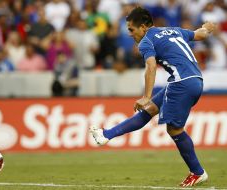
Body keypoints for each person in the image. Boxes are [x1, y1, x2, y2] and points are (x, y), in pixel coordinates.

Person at [90, 6, 215, 187]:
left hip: (181, 83)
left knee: (174, 130)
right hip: (195, 79)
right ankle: (105, 135)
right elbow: (200, 34)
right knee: (148, 111)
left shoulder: (146, 41)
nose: (130, 34)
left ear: (143, 27)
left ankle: (197, 172)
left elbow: (150, 67)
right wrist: (207, 28)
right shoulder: (173, 30)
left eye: (131, 30)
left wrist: (146, 95)